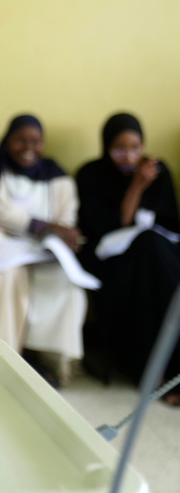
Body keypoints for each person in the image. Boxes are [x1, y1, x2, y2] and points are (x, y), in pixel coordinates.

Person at [0, 115, 85, 386]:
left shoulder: (56, 175)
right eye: (20, 140)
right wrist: (43, 225)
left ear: (43, 143)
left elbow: (66, 217)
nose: (27, 147)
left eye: (35, 141)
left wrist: (60, 232)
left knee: (67, 286)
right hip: (1, 239)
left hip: (42, 248)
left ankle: (50, 364)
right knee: (2, 277)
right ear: (7, 140)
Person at [76, 113, 180, 404]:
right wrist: (136, 186)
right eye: (119, 149)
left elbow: (170, 226)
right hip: (113, 261)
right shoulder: (91, 175)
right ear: (106, 147)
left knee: (157, 257)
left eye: (136, 148)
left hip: (157, 259)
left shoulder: (159, 171)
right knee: (149, 257)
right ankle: (153, 370)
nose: (130, 157)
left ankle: (171, 370)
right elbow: (110, 228)